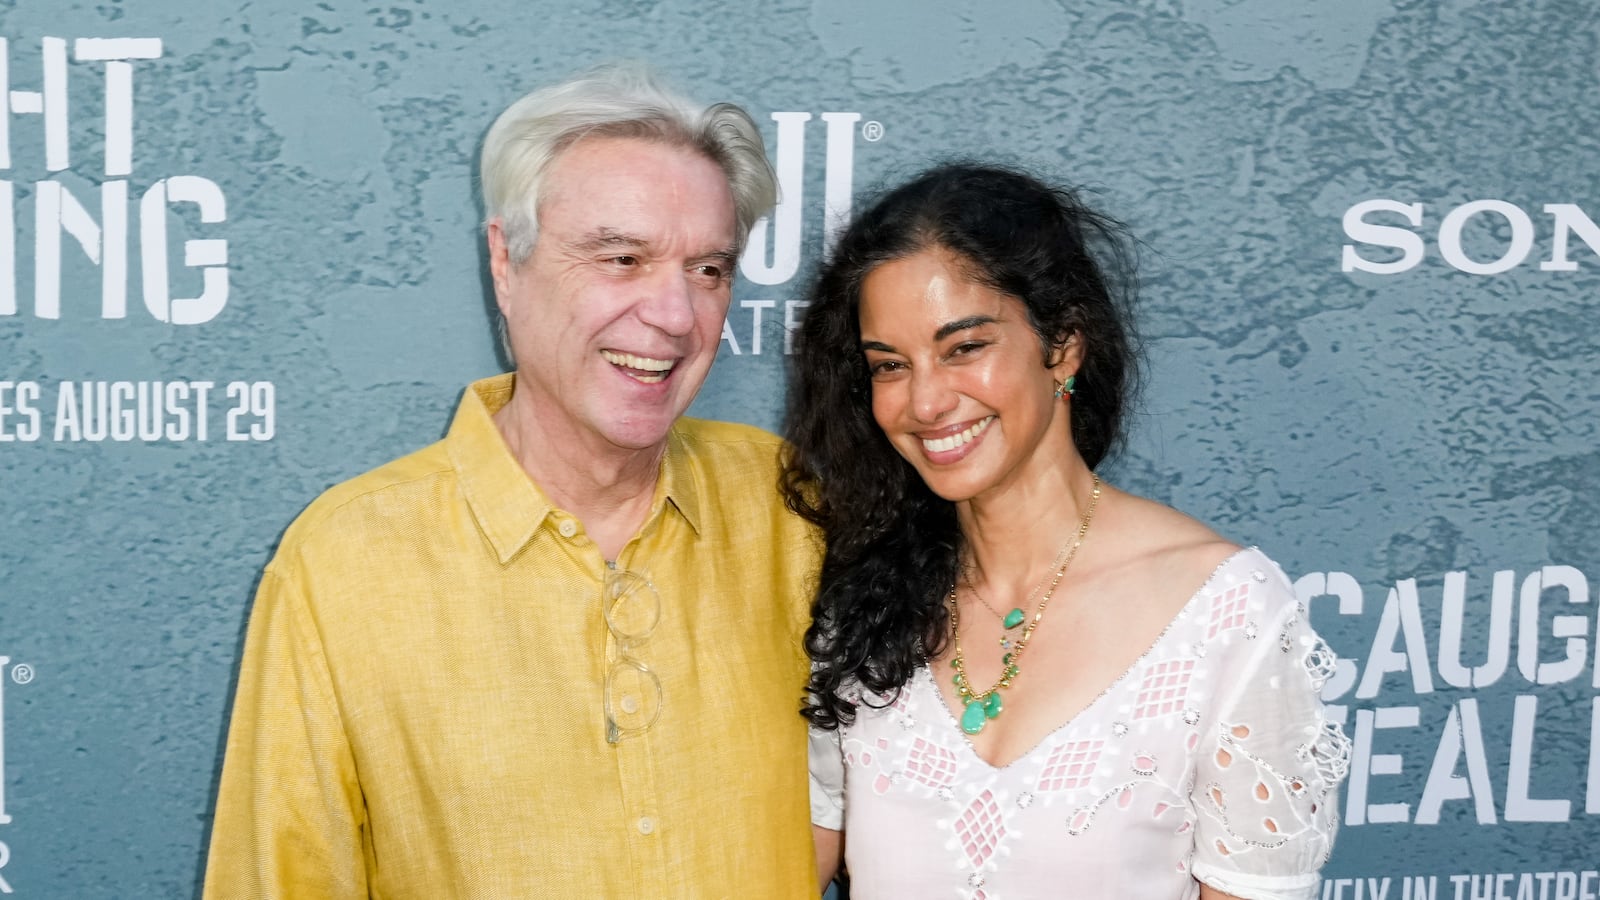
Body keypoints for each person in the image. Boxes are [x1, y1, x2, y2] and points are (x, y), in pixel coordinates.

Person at [203, 65, 822, 898]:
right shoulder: (344, 566)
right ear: (505, 260)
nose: (675, 314)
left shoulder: (793, 508)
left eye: (708, 270)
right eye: (622, 257)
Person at [786, 163, 1351, 899]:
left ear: (1064, 345)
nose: (925, 401)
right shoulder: (856, 608)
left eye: (964, 348)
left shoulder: (1224, 613)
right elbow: (789, 868)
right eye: (890, 365)